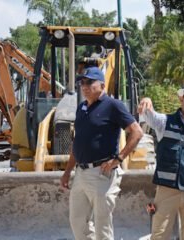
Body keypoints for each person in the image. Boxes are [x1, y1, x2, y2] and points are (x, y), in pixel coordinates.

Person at [60, 66, 143, 239]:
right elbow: (78, 142)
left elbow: (137, 132)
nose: (84, 86)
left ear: (102, 85)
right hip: (80, 174)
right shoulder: (82, 108)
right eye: (82, 82)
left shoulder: (113, 106)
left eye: (90, 82)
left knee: (102, 227)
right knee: (77, 222)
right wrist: (68, 172)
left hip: (102, 174)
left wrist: (118, 159)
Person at [138, 81, 184, 240]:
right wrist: (146, 100)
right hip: (167, 190)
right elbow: (148, 115)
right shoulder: (165, 122)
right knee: (159, 235)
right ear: (182, 99)